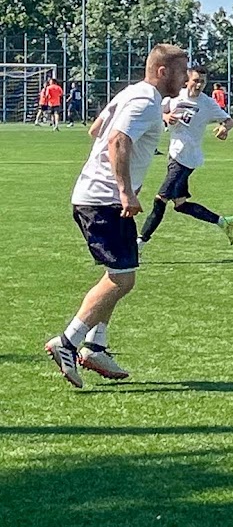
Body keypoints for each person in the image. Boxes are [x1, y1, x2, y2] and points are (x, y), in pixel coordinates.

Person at [44, 44, 188, 389]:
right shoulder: (144, 101)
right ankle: (67, 342)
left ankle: (95, 346)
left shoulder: (131, 93)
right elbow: (117, 140)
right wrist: (125, 190)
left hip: (99, 198)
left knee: (120, 275)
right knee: (122, 279)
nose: (185, 79)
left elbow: (97, 130)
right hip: (104, 200)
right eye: (182, 72)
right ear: (163, 71)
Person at [137, 65, 233, 253]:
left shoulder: (207, 103)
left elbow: (229, 121)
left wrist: (224, 128)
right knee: (180, 205)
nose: (199, 85)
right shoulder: (175, 97)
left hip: (187, 159)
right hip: (174, 155)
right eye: (196, 80)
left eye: (202, 82)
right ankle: (223, 222)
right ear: (187, 80)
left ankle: (139, 244)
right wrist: (166, 116)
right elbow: (157, 112)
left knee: (160, 200)